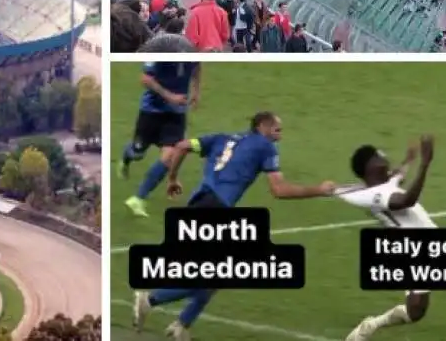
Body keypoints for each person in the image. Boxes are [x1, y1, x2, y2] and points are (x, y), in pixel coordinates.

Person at [132, 112, 337, 340]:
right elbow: (279, 190)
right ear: (263, 127)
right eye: (277, 129)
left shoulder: (223, 138)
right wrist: (318, 190)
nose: (280, 135)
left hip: (200, 205)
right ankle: (151, 300)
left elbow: (181, 146)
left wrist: (172, 179)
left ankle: (182, 324)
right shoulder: (265, 147)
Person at [339, 138, 446, 341]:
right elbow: (407, 200)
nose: (384, 157)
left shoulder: (384, 184)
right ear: (370, 166)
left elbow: (396, 176)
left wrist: (408, 160)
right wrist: (424, 163)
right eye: (379, 156)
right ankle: (371, 325)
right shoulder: (374, 195)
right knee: (416, 311)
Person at [120, 62, 201, 218]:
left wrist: (196, 90)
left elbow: (197, 65)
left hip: (176, 115)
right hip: (151, 112)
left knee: (170, 156)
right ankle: (127, 155)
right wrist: (171, 97)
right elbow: (145, 79)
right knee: (138, 153)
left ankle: (138, 198)